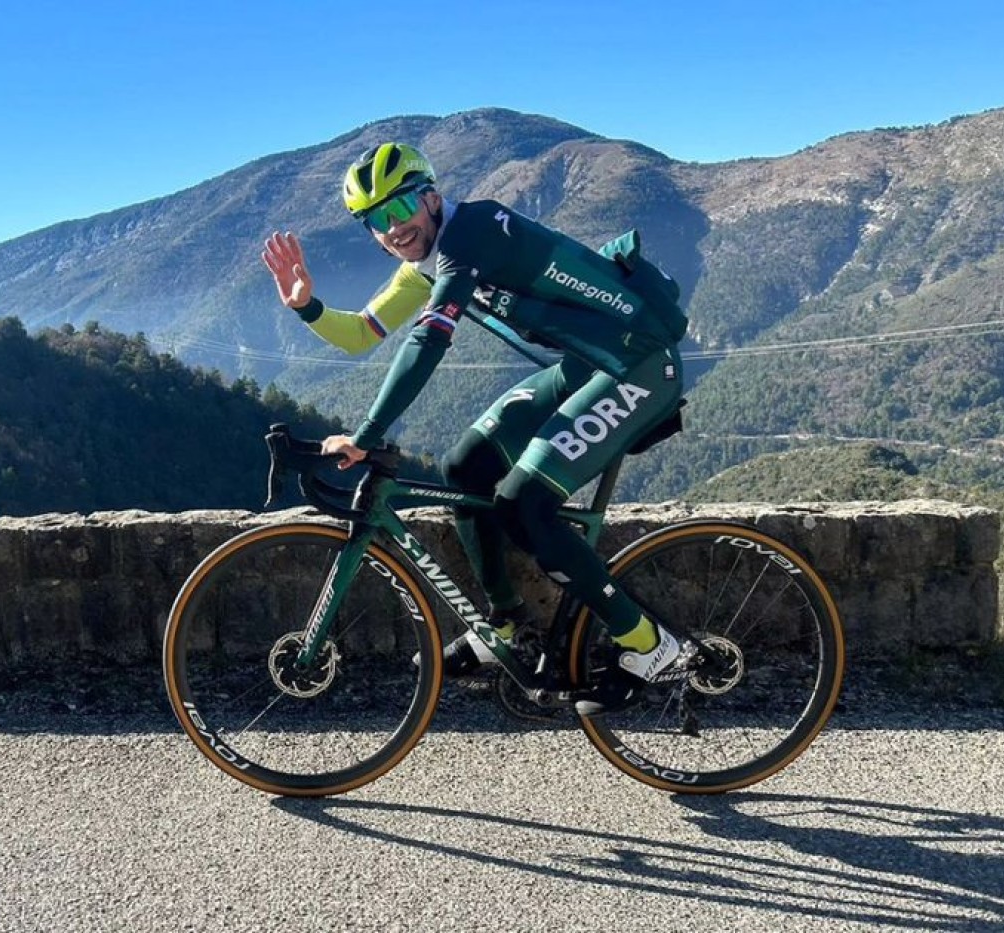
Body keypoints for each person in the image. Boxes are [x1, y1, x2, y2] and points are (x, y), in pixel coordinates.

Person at [261, 142, 692, 713]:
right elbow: (365, 332)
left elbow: (429, 338)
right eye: (375, 222)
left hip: (639, 366)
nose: (392, 230)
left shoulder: (474, 231)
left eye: (399, 211)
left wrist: (366, 434)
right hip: (586, 366)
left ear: (432, 198)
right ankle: (505, 627)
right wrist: (307, 307)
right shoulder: (426, 264)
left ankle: (647, 643)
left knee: (524, 502)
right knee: (466, 469)